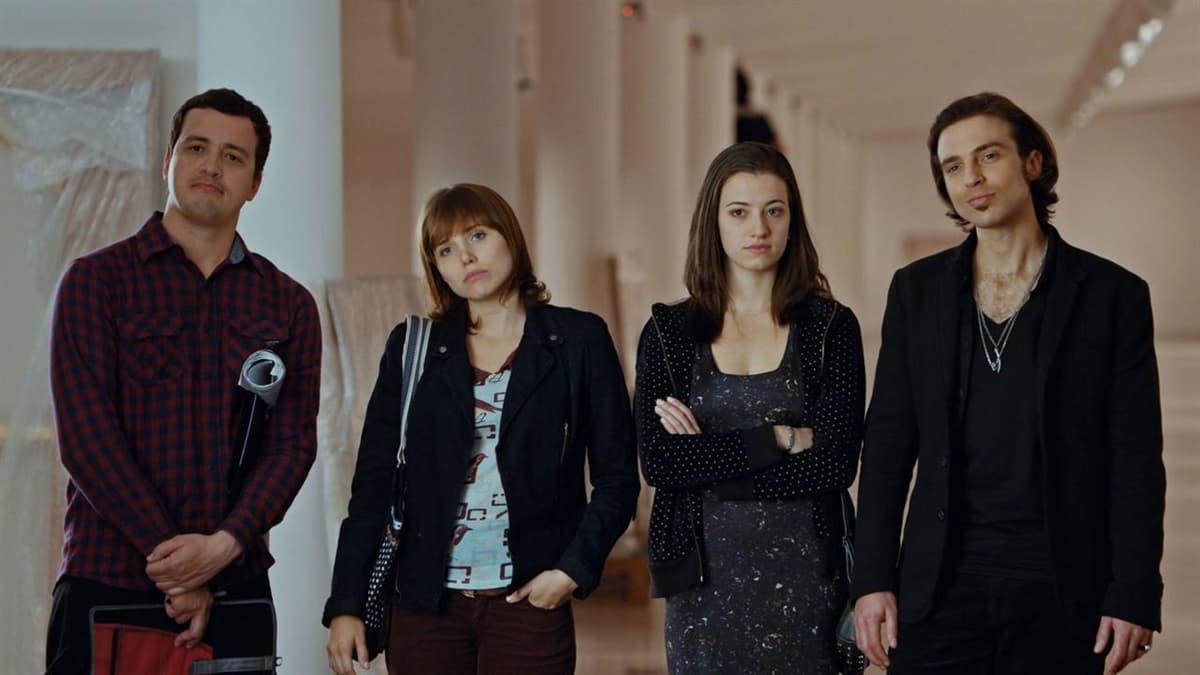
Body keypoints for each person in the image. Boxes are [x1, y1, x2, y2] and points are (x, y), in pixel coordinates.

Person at [852, 92, 1165, 675]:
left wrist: (1134, 590)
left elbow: (1135, 457)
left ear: (1033, 162)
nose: (971, 177)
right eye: (953, 167)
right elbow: (889, 445)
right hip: (938, 590)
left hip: (1063, 591)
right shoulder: (917, 293)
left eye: (988, 156)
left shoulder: (1112, 295)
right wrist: (871, 580)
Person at [45, 88, 322, 672]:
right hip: (109, 581)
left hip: (237, 588)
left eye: (233, 156)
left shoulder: (288, 305)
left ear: (254, 184)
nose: (211, 166)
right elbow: (87, 440)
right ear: (168, 161)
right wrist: (176, 565)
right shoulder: (95, 282)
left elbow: (292, 445)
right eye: (197, 148)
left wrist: (223, 546)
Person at [323, 183, 640, 675]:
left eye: (477, 236)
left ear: (509, 235)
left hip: (529, 602)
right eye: (445, 250)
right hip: (424, 608)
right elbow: (373, 487)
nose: (465, 257)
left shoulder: (578, 340)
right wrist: (345, 604)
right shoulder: (413, 347)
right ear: (436, 268)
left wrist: (571, 571)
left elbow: (617, 479)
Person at [635, 141, 865, 673]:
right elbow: (662, 463)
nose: (758, 228)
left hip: (810, 575)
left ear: (792, 221)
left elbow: (834, 464)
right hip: (702, 582)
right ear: (713, 222)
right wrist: (780, 438)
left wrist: (710, 464)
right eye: (739, 212)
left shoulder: (830, 328)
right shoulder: (669, 333)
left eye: (773, 211)